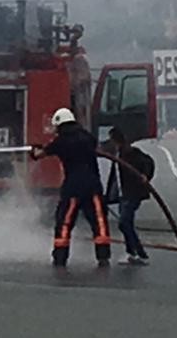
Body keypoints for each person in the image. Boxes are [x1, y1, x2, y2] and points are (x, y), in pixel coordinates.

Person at [30, 108, 113, 267]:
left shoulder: (61, 141)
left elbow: (39, 155)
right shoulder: (88, 138)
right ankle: (103, 256)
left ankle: (60, 257)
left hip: (73, 188)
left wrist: (34, 150)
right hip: (92, 186)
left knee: (65, 223)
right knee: (99, 221)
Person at [104, 126, 156, 265]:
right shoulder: (117, 154)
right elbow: (115, 177)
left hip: (133, 193)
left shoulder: (131, 153)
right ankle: (133, 253)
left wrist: (145, 175)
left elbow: (148, 162)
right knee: (127, 224)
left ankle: (138, 253)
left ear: (116, 140)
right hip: (123, 195)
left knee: (124, 222)